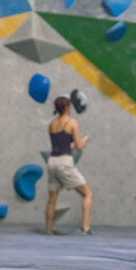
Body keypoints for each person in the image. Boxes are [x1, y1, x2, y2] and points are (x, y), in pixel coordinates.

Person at [44, 96, 93, 236]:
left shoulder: (52, 124)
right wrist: (85, 140)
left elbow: (61, 144)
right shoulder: (72, 123)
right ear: (66, 107)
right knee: (87, 194)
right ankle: (86, 228)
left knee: (52, 200)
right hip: (65, 163)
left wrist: (72, 145)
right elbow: (79, 146)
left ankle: (48, 230)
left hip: (52, 162)